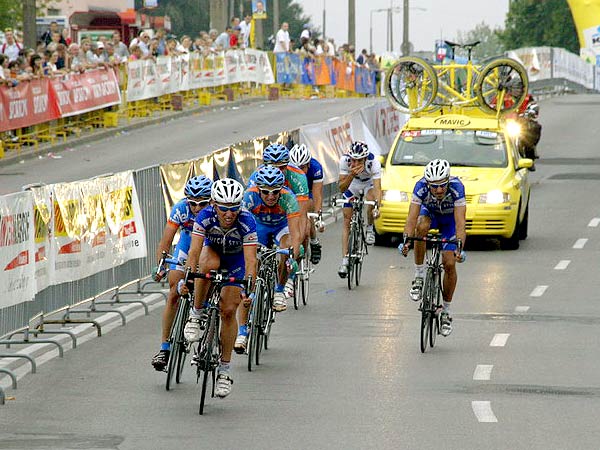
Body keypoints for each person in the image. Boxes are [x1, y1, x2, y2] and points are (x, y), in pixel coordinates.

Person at [184, 178, 257, 398]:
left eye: (234, 209)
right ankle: (196, 314)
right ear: (214, 204)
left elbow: (251, 260)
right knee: (206, 265)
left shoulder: (247, 220)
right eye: (224, 209)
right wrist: (189, 275)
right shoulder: (204, 216)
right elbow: (194, 251)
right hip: (213, 254)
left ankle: (224, 371)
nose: (229, 214)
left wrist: (249, 288)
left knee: (227, 311)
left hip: (236, 262)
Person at [150, 176, 213, 371]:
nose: (196, 208)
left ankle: (205, 317)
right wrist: (160, 264)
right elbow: (166, 240)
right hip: (187, 244)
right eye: (192, 203)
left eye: (202, 203)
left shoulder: (214, 211)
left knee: (208, 278)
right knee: (174, 293)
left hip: (208, 244)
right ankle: (164, 347)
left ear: (210, 201)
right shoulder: (180, 208)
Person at [238, 165, 302, 350]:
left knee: (286, 247)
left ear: (281, 190)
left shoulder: (289, 197)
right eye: (266, 192)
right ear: (259, 189)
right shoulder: (249, 196)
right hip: (258, 228)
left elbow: (296, 233)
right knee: (252, 264)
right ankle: (243, 331)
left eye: (275, 192)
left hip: (281, 228)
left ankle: (279, 289)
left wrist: (292, 258)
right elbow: (241, 228)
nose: (271, 196)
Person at [400, 159, 466, 337]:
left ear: (448, 181)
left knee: (449, 264)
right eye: (434, 186)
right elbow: (411, 218)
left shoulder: (457, 187)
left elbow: (460, 222)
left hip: (449, 222)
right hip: (429, 215)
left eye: (442, 186)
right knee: (420, 227)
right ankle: (419, 276)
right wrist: (406, 240)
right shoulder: (420, 186)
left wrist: (459, 247)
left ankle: (446, 311)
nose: (438, 190)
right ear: (427, 183)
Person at [248, 143, 310, 298]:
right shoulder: (255, 180)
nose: (277, 171)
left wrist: (295, 251)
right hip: (260, 222)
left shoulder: (298, 177)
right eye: (272, 167)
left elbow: (301, 218)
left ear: (287, 165)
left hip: (284, 221)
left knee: (292, 244)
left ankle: (283, 285)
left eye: (282, 167)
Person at [337, 141, 381, 277]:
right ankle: (344, 261)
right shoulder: (345, 161)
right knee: (346, 220)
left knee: (371, 199)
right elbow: (342, 187)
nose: (355, 163)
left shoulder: (373, 163)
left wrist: (377, 207)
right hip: (352, 185)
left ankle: (369, 228)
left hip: (368, 184)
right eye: (353, 160)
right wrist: (351, 174)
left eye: (359, 160)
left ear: (365, 158)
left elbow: (378, 188)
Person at [289, 143, 324, 264]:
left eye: (302, 167)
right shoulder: (287, 170)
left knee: (307, 212)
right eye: (296, 167)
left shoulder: (316, 168)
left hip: (307, 192)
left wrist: (319, 216)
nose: (298, 172)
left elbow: (317, 195)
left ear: (309, 164)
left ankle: (314, 241)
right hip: (292, 192)